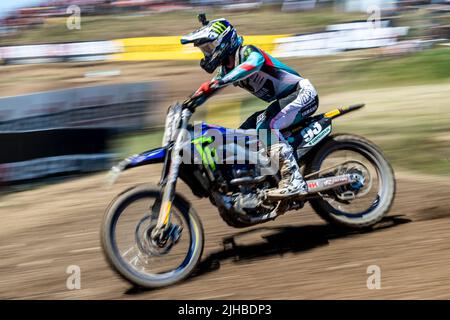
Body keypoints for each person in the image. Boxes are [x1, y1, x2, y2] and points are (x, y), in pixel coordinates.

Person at [180, 16, 319, 199]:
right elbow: (209, 89)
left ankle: (294, 179)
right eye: (204, 49)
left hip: (302, 93)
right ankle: (261, 180)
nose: (207, 53)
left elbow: (253, 64)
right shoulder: (225, 71)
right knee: (242, 134)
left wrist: (220, 82)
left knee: (267, 126)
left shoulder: (248, 52)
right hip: (284, 101)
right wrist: (188, 105)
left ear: (224, 41)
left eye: (209, 48)